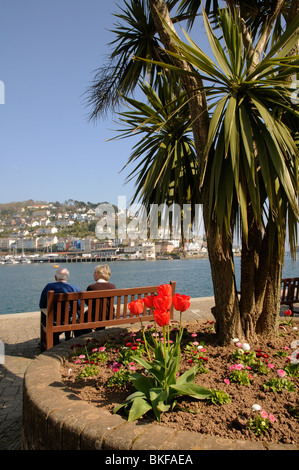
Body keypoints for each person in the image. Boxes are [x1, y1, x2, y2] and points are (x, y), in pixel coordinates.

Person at [39, 267, 81, 345]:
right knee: (69, 314)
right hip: (69, 319)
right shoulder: (75, 288)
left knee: (45, 314)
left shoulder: (48, 287)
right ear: (67, 277)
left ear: (55, 277)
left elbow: (42, 304)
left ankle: (54, 339)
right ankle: (68, 337)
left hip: (53, 319)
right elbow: (79, 306)